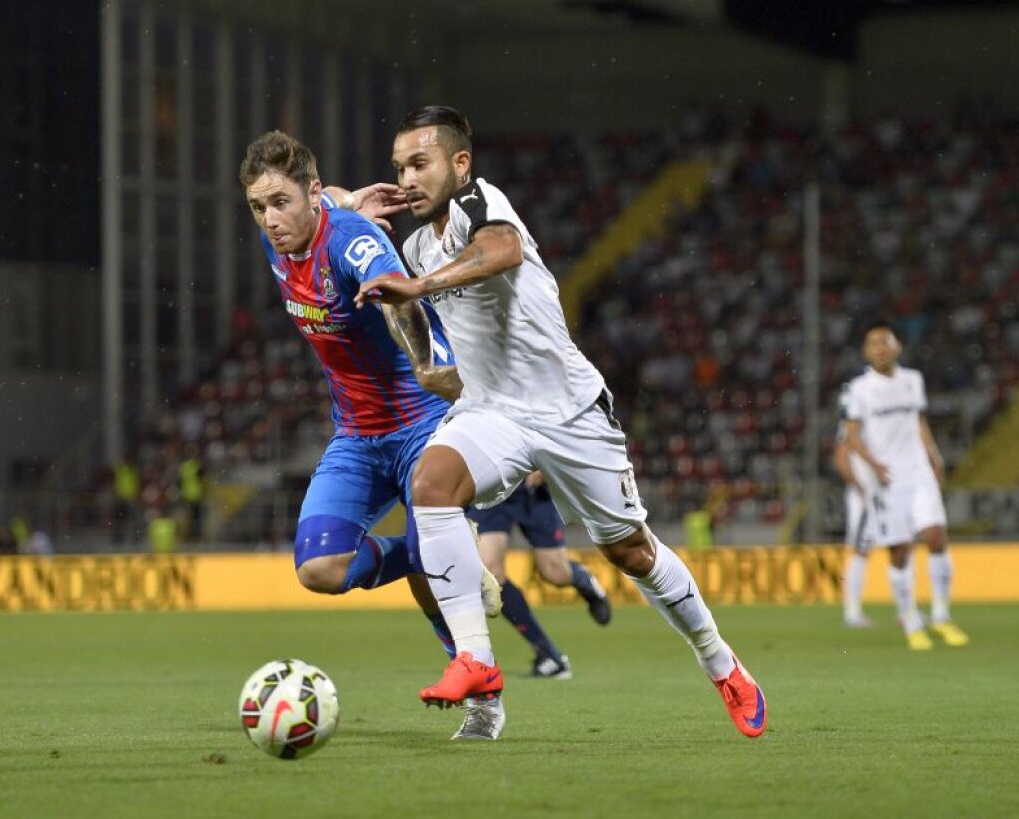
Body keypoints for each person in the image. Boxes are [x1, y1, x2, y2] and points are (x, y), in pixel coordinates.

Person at [355, 106, 767, 740]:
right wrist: (419, 350)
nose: (408, 179)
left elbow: (502, 250)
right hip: (493, 411)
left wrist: (421, 285)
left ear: (460, 164)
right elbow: (408, 310)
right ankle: (477, 662)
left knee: (630, 552)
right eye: (400, 168)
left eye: (420, 163)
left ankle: (722, 663)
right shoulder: (413, 247)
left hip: (569, 411)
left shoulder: (481, 203)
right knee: (431, 485)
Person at [240, 130, 502, 739]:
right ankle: (430, 550)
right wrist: (344, 195)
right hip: (356, 435)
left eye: (280, 202)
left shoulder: (352, 242)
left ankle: (484, 698)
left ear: (308, 194)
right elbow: (328, 195)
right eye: (258, 207)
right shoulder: (285, 235)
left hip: (422, 423)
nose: (270, 220)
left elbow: (398, 301)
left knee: (433, 580)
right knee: (319, 570)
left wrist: (433, 368)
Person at [841, 321, 969, 651]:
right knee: (900, 551)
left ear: (897, 346)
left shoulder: (913, 380)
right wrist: (874, 466)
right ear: (866, 352)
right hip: (887, 480)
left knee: (936, 537)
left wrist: (935, 458)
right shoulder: (860, 389)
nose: (881, 348)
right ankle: (911, 620)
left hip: (918, 472)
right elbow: (851, 436)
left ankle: (941, 615)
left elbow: (919, 423)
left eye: (886, 342)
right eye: (874, 344)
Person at [466, 470, 611, 679]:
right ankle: (548, 654)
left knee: (555, 573)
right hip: (492, 486)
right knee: (490, 574)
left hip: (533, 491)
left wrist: (544, 463)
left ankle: (583, 580)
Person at [832, 411, 876, 628]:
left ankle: (907, 610)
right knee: (860, 550)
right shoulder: (852, 420)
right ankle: (852, 612)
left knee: (901, 546)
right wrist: (859, 486)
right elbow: (840, 458)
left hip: (882, 495)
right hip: (865, 498)